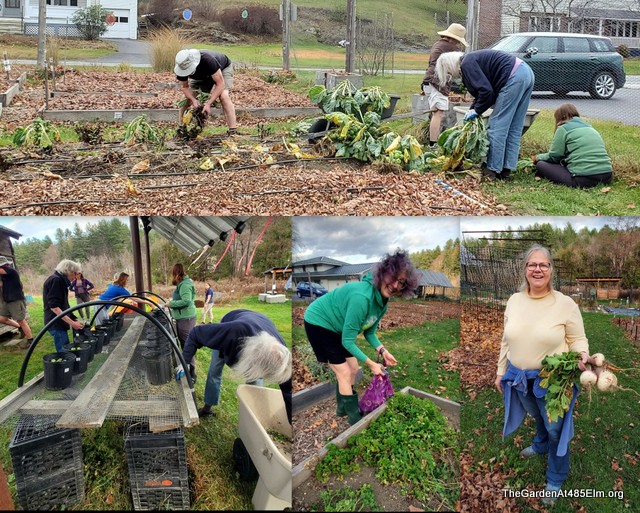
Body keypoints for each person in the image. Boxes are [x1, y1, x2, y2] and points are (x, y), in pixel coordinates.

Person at [495, 244, 590, 506]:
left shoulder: (565, 304)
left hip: (553, 380)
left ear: (551, 269)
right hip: (519, 378)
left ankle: (555, 478)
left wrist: (582, 354)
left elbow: (578, 338)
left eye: (543, 265)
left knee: (556, 429)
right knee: (537, 416)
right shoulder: (514, 301)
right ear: (525, 269)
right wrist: (500, 371)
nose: (537, 269)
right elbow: (506, 339)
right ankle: (540, 444)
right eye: (532, 264)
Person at [303, 249, 419, 425]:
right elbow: (347, 340)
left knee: (354, 368)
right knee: (343, 372)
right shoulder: (362, 298)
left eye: (401, 282)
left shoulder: (382, 303)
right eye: (393, 277)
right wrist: (372, 364)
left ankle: (342, 408)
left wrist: (383, 350)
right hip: (319, 322)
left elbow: (369, 332)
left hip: (337, 326)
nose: (395, 285)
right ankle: (353, 419)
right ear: (382, 273)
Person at [178, 309, 292, 424]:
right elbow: (196, 333)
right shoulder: (232, 332)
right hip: (234, 325)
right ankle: (207, 408)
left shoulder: (281, 357)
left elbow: (289, 391)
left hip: (260, 324)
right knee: (214, 372)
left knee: (255, 387)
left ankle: (253, 421)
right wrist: (185, 362)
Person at [435, 49, 535, 181]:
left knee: (497, 126)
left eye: (448, 72)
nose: (451, 76)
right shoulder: (471, 60)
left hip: (513, 77)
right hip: (526, 72)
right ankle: (506, 169)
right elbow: (484, 93)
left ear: (448, 66)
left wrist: (476, 111)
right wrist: (475, 109)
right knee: (514, 126)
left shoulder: (466, 64)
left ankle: (492, 170)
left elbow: (487, 93)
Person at [533, 103, 612, 188]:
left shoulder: (563, 128)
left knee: (541, 164)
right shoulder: (590, 128)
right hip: (607, 176)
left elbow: (554, 157)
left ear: (561, 117)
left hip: (583, 179)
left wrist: (537, 157)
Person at [421, 23, 468, 149]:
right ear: (453, 39)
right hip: (437, 82)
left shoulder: (438, 44)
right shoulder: (451, 47)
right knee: (438, 113)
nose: (458, 44)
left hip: (428, 81)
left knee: (434, 111)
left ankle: (431, 138)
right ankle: (433, 144)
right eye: (458, 41)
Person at [174, 49, 238, 135]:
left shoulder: (208, 60)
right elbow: (184, 87)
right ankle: (181, 128)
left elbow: (220, 84)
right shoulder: (181, 67)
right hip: (202, 76)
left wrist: (209, 103)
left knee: (223, 96)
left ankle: (233, 130)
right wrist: (193, 100)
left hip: (222, 69)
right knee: (186, 100)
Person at [43, 259, 85, 352]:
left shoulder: (60, 281)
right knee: (64, 351)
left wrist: (74, 318)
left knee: (66, 347)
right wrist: (72, 323)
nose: (75, 277)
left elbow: (64, 304)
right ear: (67, 271)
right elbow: (54, 307)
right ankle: (63, 366)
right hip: (55, 322)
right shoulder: (56, 280)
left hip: (60, 321)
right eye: (74, 273)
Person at [167, 264, 197, 382]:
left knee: (187, 344)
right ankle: (187, 367)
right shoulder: (183, 283)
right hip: (183, 317)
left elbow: (186, 301)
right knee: (185, 343)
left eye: (173, 274)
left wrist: (171, 304)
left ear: (176, 273)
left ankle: (191, 373)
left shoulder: (185, 284)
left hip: (186, 318)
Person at [0, 256, 34, 350]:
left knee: (21, 320)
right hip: (7, 301)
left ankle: (30, 340)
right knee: (2, 318)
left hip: (16, 300)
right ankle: (20, 327)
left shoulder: (11, 271)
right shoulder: (4, 276)